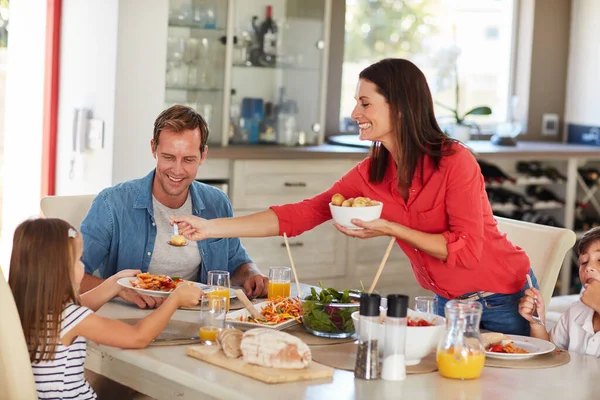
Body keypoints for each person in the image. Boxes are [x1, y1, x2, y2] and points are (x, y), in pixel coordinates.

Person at [171, 58, 537, 336]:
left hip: (504, 300)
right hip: (447, 303)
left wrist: (391, 228)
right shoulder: (373, 171)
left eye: (365, 103)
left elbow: (467, 249)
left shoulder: (454, 161)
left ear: (400, 106)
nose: (354, 114)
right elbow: (304, 213)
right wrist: (209, 227)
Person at [80, 105, 268, 309]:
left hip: (198, 319)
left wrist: (251, 274)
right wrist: (118, 288)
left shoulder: (218, 203)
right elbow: (69, 278)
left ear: (203, 155)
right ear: (154, 149)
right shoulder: (112, 203)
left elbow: (236, 263)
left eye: (188, 159)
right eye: (168, 157)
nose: (177, 171)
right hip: (132, 321)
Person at [8, 218, 203, 399]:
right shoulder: (71, 318)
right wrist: (175, 299)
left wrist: (114, 285)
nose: (83, 267)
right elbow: (138, 336)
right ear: (59, 268)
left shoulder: (19, 310)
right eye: (78, 260)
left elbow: (77, 308)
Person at [519, 226, 600, 357]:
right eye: (584, 262)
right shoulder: (576, 312)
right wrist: (537, 323)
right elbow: (549, 354)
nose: (589, 267)